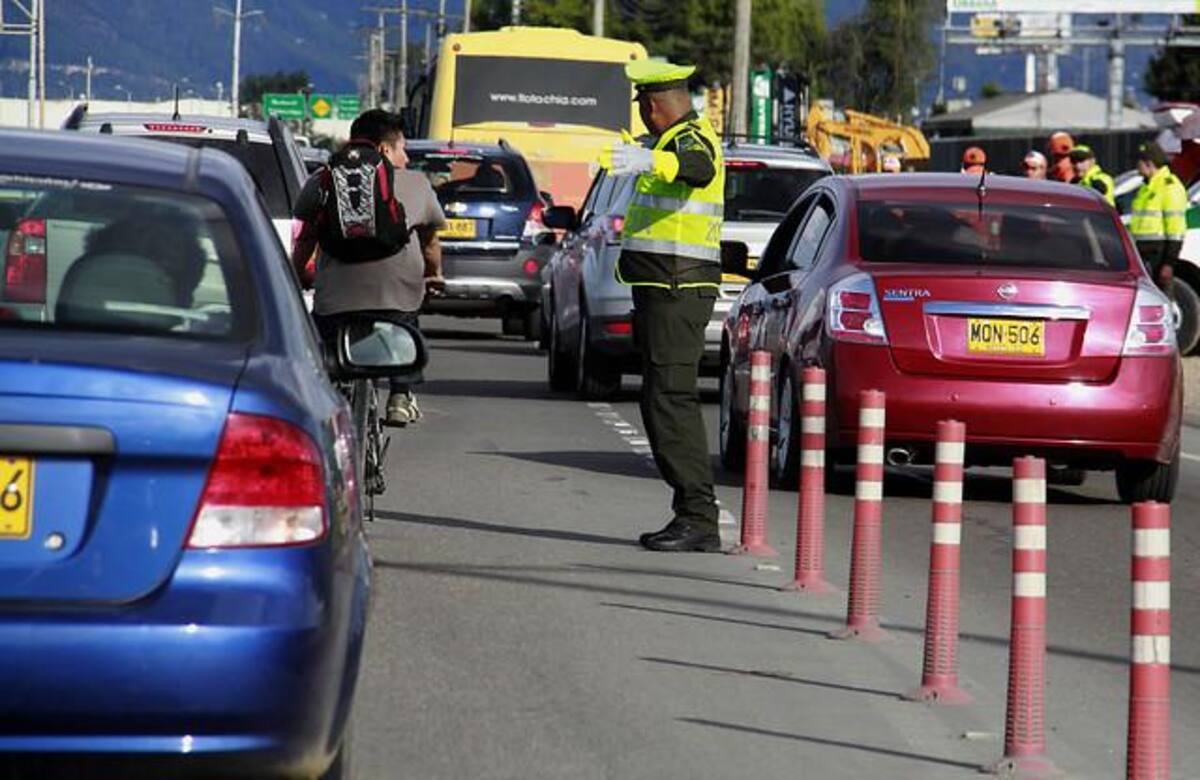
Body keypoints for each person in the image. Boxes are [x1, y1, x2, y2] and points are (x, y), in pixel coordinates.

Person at [600, 59, 724, 553]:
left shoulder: (690, 139)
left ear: (654, 106)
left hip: (678, 289)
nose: (644, 116)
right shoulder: (669, 140)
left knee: (671, 400)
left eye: (643, 108)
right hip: (664, 288)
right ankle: (693, 513)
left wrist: (653, 162)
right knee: (661, 399)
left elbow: (699, 169)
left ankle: (698, 516)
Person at [292, 109, 447, 426]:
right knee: (408, 326)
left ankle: (322, 403)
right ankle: (400, 395)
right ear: (385, 149)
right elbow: (430, 242)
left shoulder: (322, 179)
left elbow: (306, 237)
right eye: (402, 148)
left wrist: (293, 277)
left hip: (334, 301)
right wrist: (434, 274)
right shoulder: (416, 183)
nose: (405, 157)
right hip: (396, 301)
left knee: (320, 350)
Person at [1130, 141, 1188, 299]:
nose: (1137, 166)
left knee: (1162, 300)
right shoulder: (1146, 187)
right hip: (1142, 253)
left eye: (1139, 162)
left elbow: (1176, 229)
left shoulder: (1170, 187)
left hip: (1159, 253)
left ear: (1148, 163)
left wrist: (1169, 263)